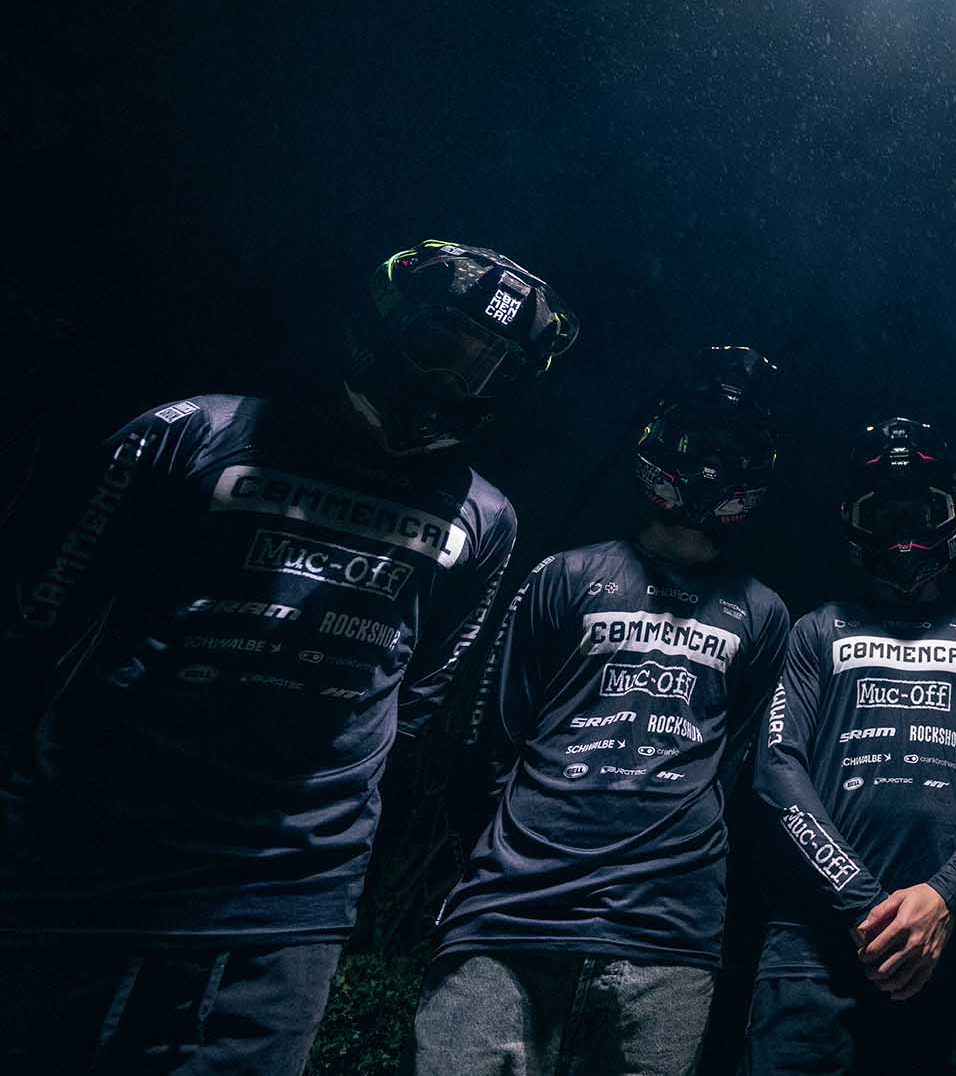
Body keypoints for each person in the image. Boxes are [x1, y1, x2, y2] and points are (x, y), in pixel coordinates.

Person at [0, 239, 576, 1074]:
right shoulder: (188, 432)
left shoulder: (486, 518)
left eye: (487, 369)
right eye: (438, 345)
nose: (456, 380)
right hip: (78, 869)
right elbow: (37, 624)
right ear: (385, 325)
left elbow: (418, 697)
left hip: (288, 908)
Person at [406, 346, 791, 1076]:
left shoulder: (764, 613)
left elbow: (734, 760)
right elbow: (492, 737)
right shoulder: (566, 574)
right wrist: (517, 858)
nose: (711, 465)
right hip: (512, 915)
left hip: (668, 934)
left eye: (730, 450)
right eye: (698, 442)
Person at [745, 416, 956, 1075]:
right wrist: (862, 900)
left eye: (922, 513)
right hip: (813, 954)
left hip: (955, 948)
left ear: (951, 514)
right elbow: (776, 767)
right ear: (854, 520)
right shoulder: (816, 629)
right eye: (885, 516)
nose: (905, 534)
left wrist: (947, 894)